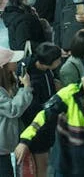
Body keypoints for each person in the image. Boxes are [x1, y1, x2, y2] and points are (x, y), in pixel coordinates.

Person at [0, 48, 30, 177]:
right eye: (13, 60)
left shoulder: (8, 79)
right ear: (3, 66)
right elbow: (13, 110)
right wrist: (26, 88)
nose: (17, 62)